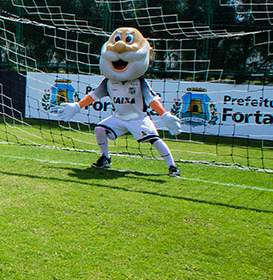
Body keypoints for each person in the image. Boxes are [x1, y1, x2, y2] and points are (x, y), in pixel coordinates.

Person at [58, 27, 182, 177]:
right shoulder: (109, 82)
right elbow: (93, 96)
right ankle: (105, 158)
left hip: (138, 118)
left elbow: (152, 100)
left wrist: (164, 115)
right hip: (118, 118)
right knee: (99, 129)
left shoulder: (139, 82)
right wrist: (77, 106)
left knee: (154, 140)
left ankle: (172, 166)